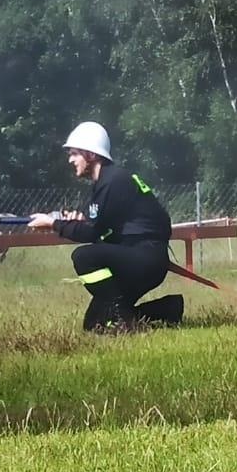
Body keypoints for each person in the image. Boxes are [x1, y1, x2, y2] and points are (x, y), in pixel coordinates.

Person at [29, 122, 183, 333]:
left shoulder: (112, 182)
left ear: (90, 154)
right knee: (93, 326)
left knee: (84, 257)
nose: (70, 160)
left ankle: (124, 320)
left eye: (74, 154)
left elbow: (92, 233)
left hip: (144, 260)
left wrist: (53, 224)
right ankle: (167, 309)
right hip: (140, 258)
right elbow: (100, 224)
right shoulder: (108, 181)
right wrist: (78, 221)